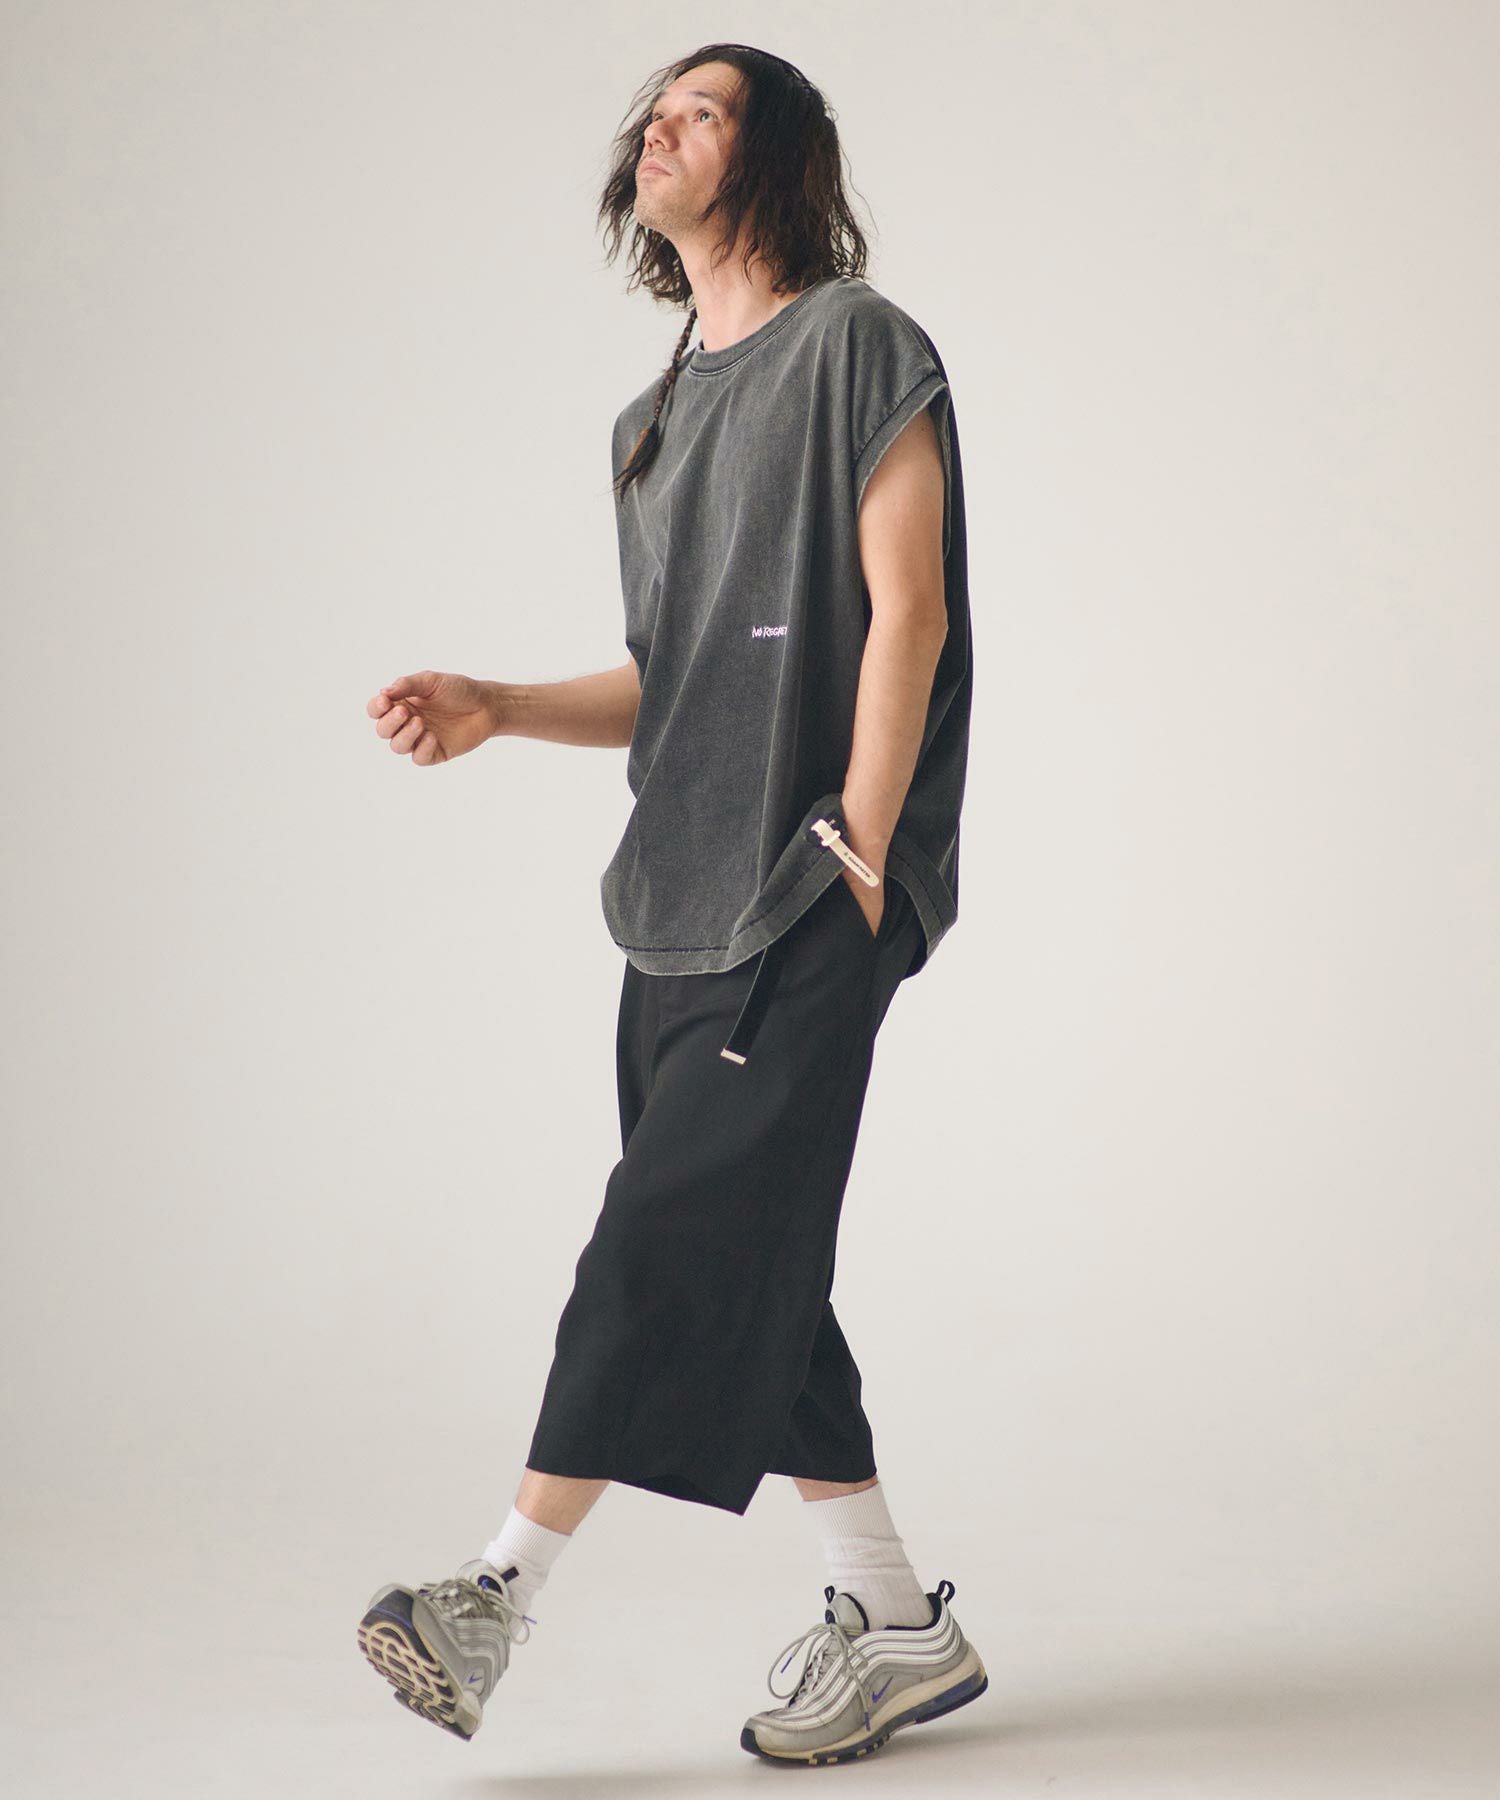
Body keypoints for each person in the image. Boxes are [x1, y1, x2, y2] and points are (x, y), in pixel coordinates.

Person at [355, 42, 984, 1767]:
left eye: (701, 110)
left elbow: (909, 608)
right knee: (747, 1251)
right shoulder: (649, 426)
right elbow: (677, 674)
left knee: (661, 1235)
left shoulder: (858, 345)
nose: (660, 128)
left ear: (773, 155)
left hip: (808, 901)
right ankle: (901, 1624)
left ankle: (493, 1592)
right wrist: (498, 705)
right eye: (654, 111)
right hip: (672, 909)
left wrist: (859, 854)